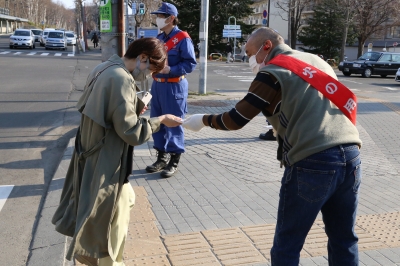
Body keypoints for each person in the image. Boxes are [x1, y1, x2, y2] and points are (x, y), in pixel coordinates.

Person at [183, 27, 362, 265]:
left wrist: (202, 121)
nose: (249, 60)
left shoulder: (273, 71)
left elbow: (235, 119)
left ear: (266, 46)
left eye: (249, 53)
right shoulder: (317, 62)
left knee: (287, 246)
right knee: (344, 239)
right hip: (351, 154)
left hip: (311, 160)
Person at [52, 38, 182, 266]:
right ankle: (106, 260)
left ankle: (98, 255)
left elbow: (109, 113)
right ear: (143, 57)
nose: (150, 75)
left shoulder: (103, 68)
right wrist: (160, 121)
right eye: (151, 69)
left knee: (124, 200)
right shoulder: (121, 79)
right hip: (106, 161)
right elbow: (132, 132)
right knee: (112, 219)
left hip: (92, 153)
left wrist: (135, 106)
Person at [145, 2, 197, 178]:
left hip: (174, 86)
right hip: (157, 85)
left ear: (171, 18)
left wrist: (171, 70)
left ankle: (174, 159)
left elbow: (190, 64)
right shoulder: (159, 38)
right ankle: (161, 157)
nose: (158, 19)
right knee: (158, 121)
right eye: (158, 16)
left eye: (161, 16)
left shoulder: (183, 38)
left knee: (174, 122)